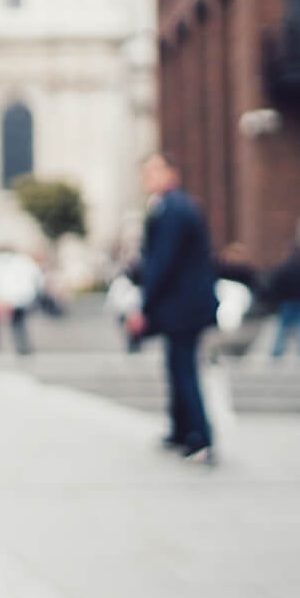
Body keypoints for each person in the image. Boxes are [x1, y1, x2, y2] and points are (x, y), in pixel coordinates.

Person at [125, 153, 218, 462]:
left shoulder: (172, 209)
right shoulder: (172, 207)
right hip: (184, 305)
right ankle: (181, 430)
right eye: (144, 174)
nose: (148, 179)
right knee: (177, 366)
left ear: (171, 174)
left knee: (183, 369)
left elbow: (161, 264)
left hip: (183, 307)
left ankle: (200, 436)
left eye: (154, 172)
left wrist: (144, 306)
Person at [262, 217, 300, 361]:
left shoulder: (283, 267)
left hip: (287, 300)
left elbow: (275, 283)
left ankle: (277, 352)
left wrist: (278, 297)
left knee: (283, 326)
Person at [0, 246, 41, 355]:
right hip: (19, 298)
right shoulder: (24, 262)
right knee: (16, 323)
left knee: (6, 322)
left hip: (10, 297)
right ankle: (22, 347)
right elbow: (36, 279)